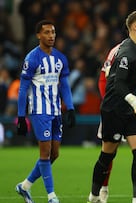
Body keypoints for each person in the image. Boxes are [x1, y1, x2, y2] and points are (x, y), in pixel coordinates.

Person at [87, 10, 136, 203]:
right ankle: (93, 196)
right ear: (134, 27)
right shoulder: (126, 52)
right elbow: (118, 85)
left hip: (130, 110)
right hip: (114, 110)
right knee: (107, 156)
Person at [15, 20, 76, 203]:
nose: (51, 36)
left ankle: (24, 186)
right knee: (45, 153)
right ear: (38, 36)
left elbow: (64, 84)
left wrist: (70, 107)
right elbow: (22, 89)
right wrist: (20, 116)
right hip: (39, 111)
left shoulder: (60, 59)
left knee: (54, 154)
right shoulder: (32, 58)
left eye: (53, 32)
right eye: (47, 32)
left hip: (56, 111)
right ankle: (51, 196)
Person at [96, 43, 136, 203]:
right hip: (116, 108)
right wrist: (109, 104)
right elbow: (104, 79)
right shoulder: (117, 51)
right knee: (109, 151)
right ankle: (103, 190)